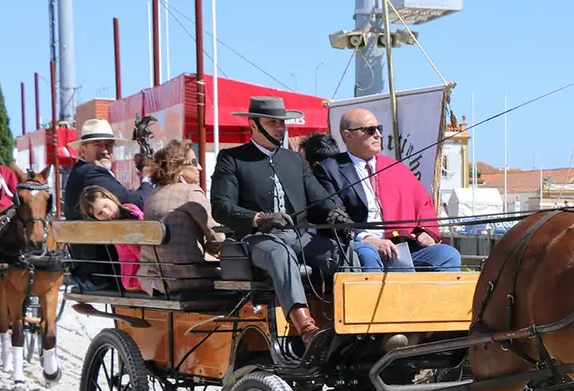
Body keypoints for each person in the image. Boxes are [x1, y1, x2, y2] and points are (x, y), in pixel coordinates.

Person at [209, 96, 353, 350]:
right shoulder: (231, 159)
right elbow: (222, 207)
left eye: (282, 122)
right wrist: (260, 218)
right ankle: (306, 328)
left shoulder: (294, 160)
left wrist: (334, 211)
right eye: (272, 122)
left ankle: (356, 326)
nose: (280, 128)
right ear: (253, 124)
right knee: (280, 252)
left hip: (300, 236)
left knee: (345, 254)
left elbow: (319, 197)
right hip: (256, 240)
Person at [313, 107, 461, 272]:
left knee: (447, 255)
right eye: (370, 130)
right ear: (348, 135)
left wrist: (425, 231)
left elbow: (424, 203)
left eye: (379, 129)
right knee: (367, 254)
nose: (378, 134)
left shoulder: (394, 167)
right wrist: (366, 238)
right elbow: (332, 215)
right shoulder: (329, 169)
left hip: (401, 244)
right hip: (360, 245)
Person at [64, 119, 144, 290]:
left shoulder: (81, 172)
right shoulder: (90, 173)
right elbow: (133, 200)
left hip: (93, 271)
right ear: (82, 150)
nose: (105, 150)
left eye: (109, 145)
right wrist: (150, 179)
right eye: (97, 145)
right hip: (104, 272)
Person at [139, 139, 225, 295]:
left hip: (153, 282)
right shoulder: (190, 192)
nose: (199, 167)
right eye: (194, 162)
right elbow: (217, 236)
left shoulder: (151, 196)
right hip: (187, 279)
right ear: (178, 167)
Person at [77, 185, 146, 292]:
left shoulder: (131, 208)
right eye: (100, 214)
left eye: (106, 205)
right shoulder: (116, 229)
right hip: (135, 278)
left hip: (147, 271)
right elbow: (140, 253)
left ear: (109, 197)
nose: (107, 213)